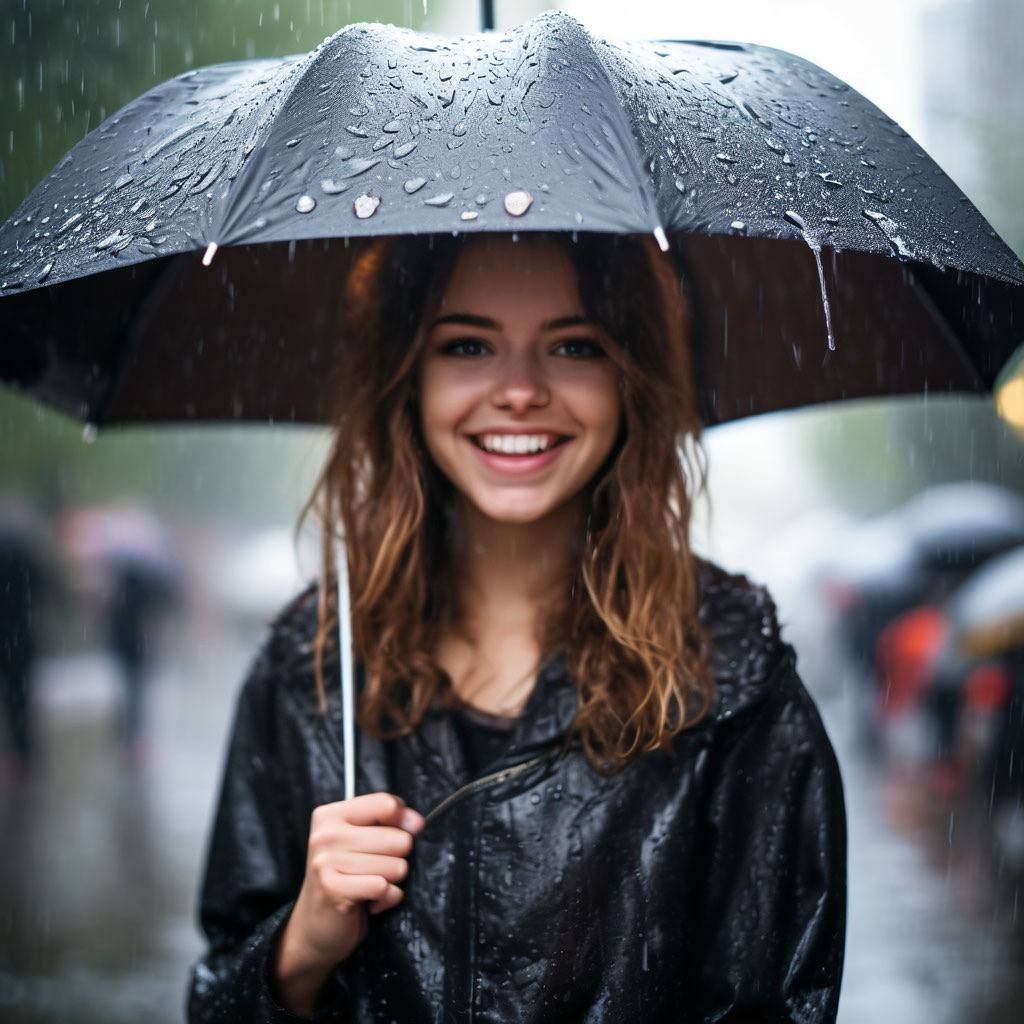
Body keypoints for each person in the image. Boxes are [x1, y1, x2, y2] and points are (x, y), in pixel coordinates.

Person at [188, 231, 847, 1022]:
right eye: (467, 344)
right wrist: (300, 947)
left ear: (630, 376)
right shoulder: (314, 669)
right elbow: (214, 997)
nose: (521, 390)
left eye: (574, 346)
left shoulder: (731, 682)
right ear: (408, 377)